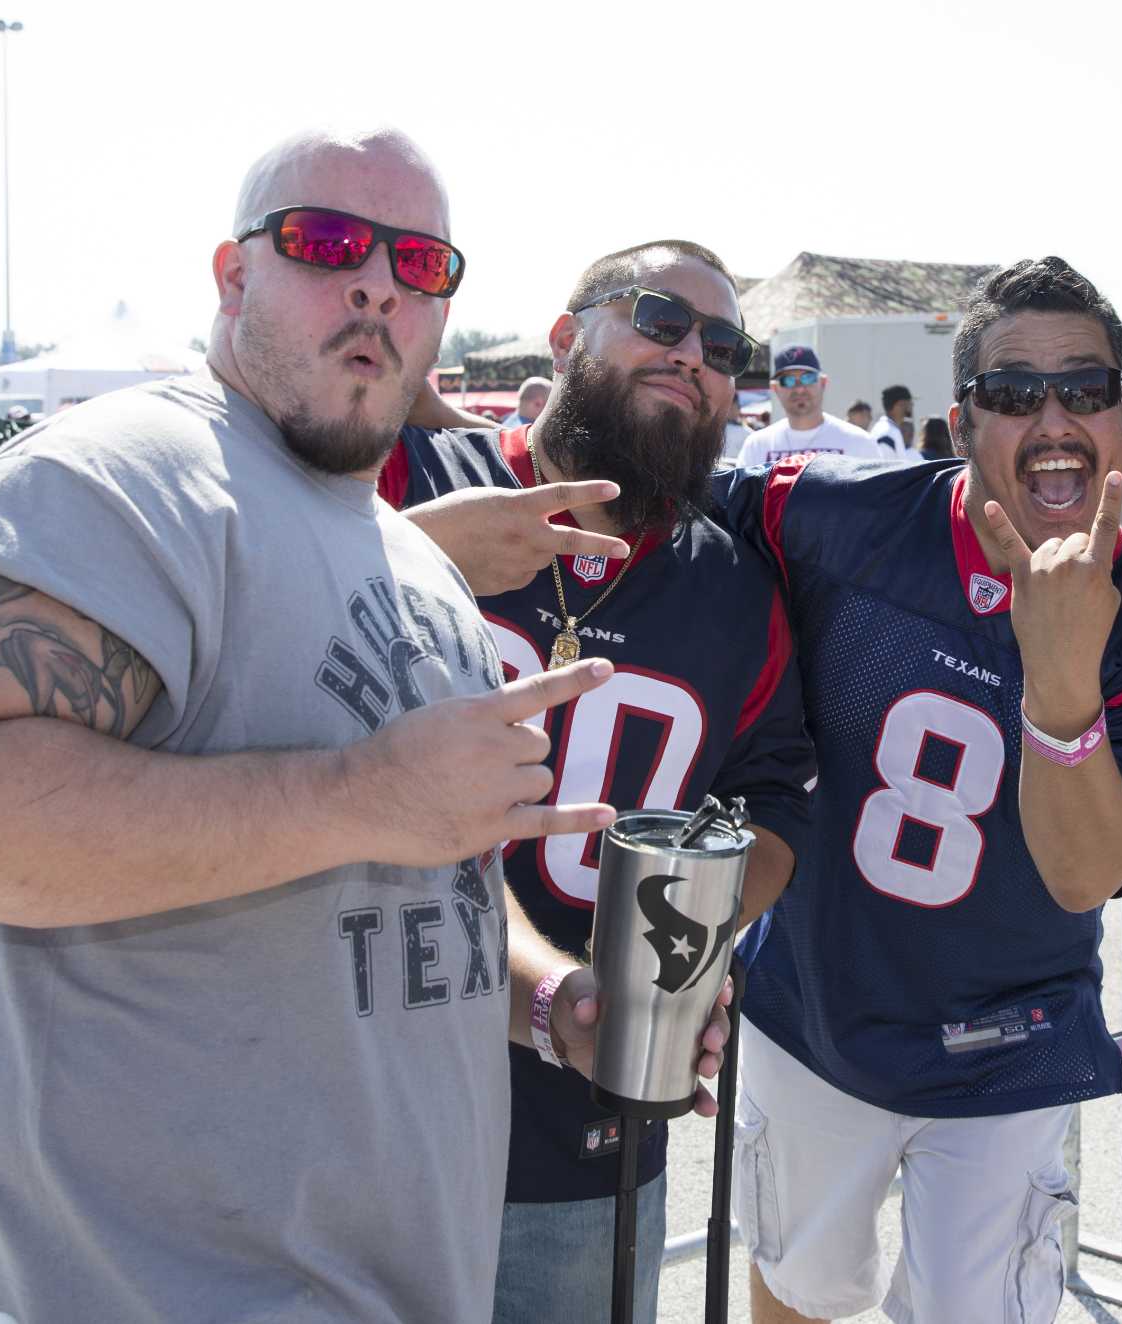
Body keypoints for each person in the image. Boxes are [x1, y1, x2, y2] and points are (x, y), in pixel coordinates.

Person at [0, 126, 730, 1324]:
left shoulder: (407, 558)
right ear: (231, 276)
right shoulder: (129, 475)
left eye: (420, 263)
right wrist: (359, 794)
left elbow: (433, 866)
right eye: (325, 242)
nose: (376, 282)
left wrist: (546, 1001)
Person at [715, 256, 1122, 1323]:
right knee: (797, 1290)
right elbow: (649, 504)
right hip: (815, 1009)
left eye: (1084, 389)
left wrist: (1059, 683)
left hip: (1011, 1042)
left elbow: (1086, 870)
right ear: (961, 420)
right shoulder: (825, 512)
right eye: (1013, 393)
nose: (1053, 418)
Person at [385, 239, 814, 1323]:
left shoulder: (732, 588)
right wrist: (408, 549)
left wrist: (688, 947)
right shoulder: (412, 481)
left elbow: (771, 807)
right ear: (566, 334)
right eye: (660, 318)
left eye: (723, 344)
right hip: (365, 1069)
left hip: (583, 1098)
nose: (692, 356)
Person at [734, 345, 893, 466]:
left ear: (823, 383)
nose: (799, 388)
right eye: (787, 380)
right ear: (775, 388)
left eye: (808, 378)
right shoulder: (757, 445)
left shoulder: (860, 443)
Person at [869, 382, 916, 461]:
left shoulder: (888, 428)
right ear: (900, 404)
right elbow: (885, 470)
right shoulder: (887, 431)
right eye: (910, 403)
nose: (912, 406)